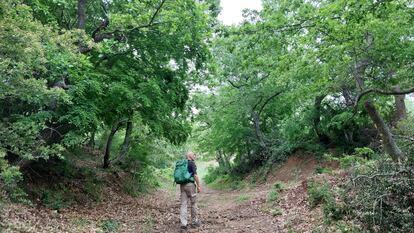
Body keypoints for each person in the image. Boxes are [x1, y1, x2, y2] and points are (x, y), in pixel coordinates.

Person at [180, 151, 202, 232]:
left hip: (182, 186)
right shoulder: (192, 163)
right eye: (193, 155)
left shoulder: (182, 164)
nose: (194, 156)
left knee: (183, 205)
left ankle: (183, 225)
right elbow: (195, 175)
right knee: (193, 203)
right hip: (190, 185)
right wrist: (199, 185)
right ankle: (194, 222)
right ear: (189, 156)